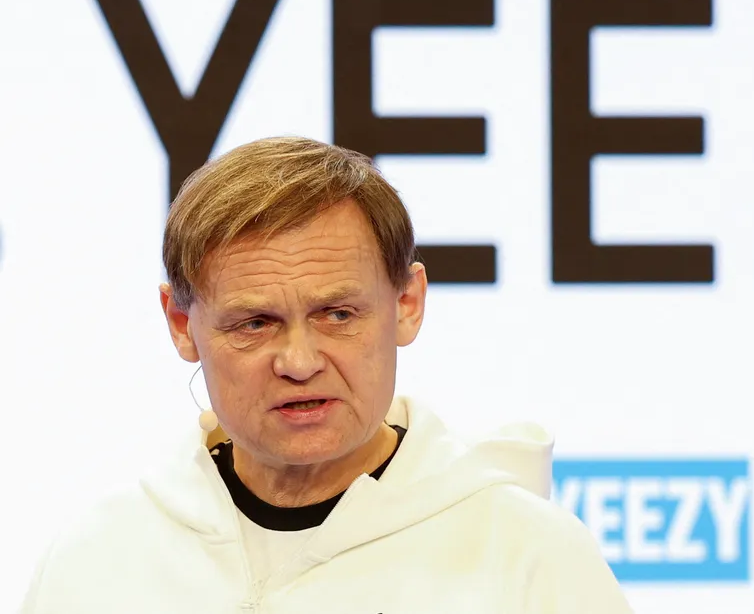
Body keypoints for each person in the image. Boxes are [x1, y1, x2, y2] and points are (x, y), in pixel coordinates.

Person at [21, 136, 632, 613]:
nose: (299, 362)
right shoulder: (97, 560)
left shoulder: (528, 558)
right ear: (181, 323)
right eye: (255, 323)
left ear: (407, 304)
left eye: (337, 314)